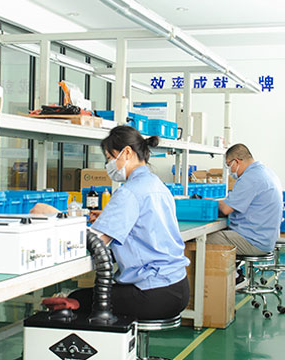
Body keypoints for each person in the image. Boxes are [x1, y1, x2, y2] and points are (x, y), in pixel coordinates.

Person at [31, 126, 190, 320]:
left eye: (109, 158)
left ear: (127, 153)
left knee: (75, 299)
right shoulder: (157, 184)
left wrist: (56, 216)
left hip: (153, 292)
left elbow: (94, 242)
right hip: (177, 287)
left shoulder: (129, 192)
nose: (109, 165)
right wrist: (108, 217)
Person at [207, 144, 283, 285]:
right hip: (265, 237)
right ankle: (234, 273)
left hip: (254, 240)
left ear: (237, 161)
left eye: (229, 165)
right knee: (222, 233)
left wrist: (209, 202)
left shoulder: (250, 178)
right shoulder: (265, 172)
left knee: (202, 239)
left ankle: (225, 281)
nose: (230, 170)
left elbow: (226, 209)